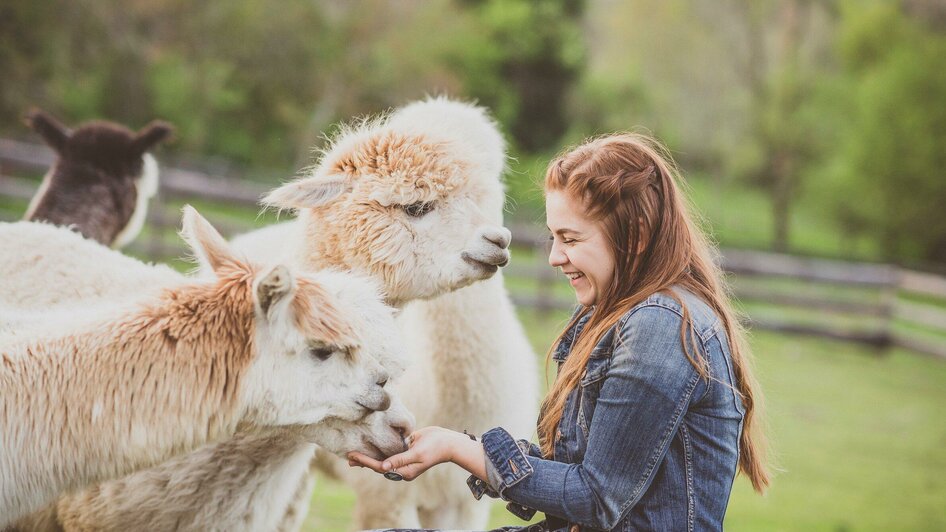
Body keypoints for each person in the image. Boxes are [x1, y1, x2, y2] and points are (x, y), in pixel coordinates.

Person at [348, 132, 770, 531]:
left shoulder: (660, 326)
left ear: (636, 235)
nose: (554, 256)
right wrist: (447, 444)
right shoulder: (619, 315)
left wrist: (462, 451)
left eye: (570, 238)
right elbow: (575, 477)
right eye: (553, 237)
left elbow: (596, 497)